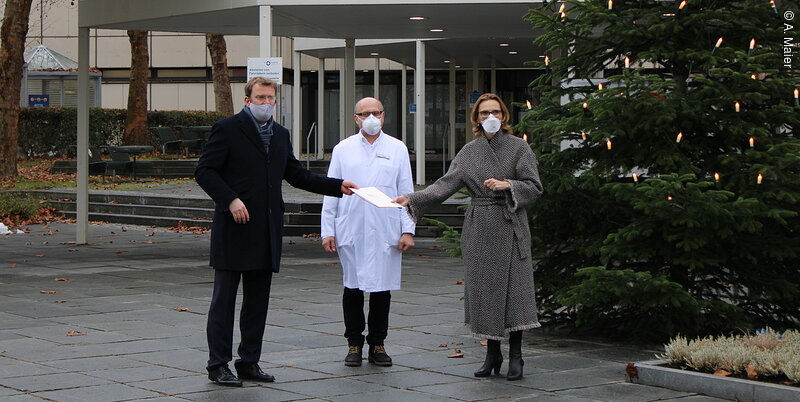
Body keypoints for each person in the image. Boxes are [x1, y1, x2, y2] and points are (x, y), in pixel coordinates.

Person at [195, 76, 357, 387]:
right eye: (260, 98)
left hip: (266, 230)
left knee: (257, 302)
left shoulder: (280, 135)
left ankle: (249, 362)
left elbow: (296, 175)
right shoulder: (227, 129)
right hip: (234, 228)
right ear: (248, 100)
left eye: (271, 98)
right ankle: (218, 364)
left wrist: (337, 186)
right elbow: (204, 170)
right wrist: (230, 199)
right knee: (224, 302)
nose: (267, 103)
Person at [394, 93, 543, 381]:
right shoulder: (469, 152)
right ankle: (492, 354)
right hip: (481, 227)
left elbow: (534, 186)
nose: (491, 117)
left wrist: (508, 184)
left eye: (496, 112)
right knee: (484, 291)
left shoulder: (519, 148)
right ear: (476, 118)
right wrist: (411, 198)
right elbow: (444, 185)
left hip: (510, 224)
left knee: (515, 292)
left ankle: (516, 356)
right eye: (485, 112)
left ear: (504, 116)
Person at [321, 97, 416, 367]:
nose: (371, 118)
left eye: (376, 112)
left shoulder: (397, 148)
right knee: (352, 288)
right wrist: (328, 230)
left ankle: (377, 343)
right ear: (356, 118)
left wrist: (407, 230)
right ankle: (353, 344)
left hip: (386, 227)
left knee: (381, 289)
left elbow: (406, 192)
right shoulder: (343, 149)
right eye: (365, 113)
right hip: (352, 226)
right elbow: (331, 190)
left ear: (384, 116)